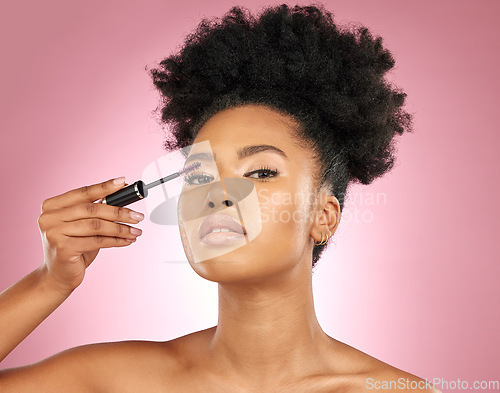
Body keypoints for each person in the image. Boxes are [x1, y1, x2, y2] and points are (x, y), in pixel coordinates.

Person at [0, 4, 441, 392]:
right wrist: (49, 282)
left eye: (262, 172)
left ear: (323, 216)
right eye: (198, 176)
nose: (218, 196)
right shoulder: (115, 380)